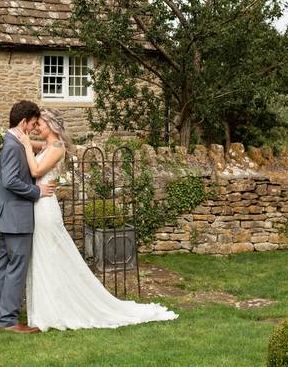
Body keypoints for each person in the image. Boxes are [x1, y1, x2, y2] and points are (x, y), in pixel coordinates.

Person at [14, 108, 178, 331]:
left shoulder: (57, 147)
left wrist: (24, 144)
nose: (36, 128)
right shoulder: (46, 145)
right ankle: (49, 306)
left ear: (51, 126)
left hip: (45, 208)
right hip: (39, 204)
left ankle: (57, 308)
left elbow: (35, 171)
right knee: (43, 256)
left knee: (49, 254)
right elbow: (30, 147)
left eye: (40, 124)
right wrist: (16, 138)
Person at [0, 100, 56, 333]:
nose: (32, 128)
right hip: (16, 216)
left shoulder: (4, 140)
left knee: (4, 266)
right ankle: (8, 320)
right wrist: (36, 191)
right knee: (16, 267)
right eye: (32, 124)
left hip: (5, 214)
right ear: (23, 122)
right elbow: (10, 180)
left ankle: (0, 316)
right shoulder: (11, 145)